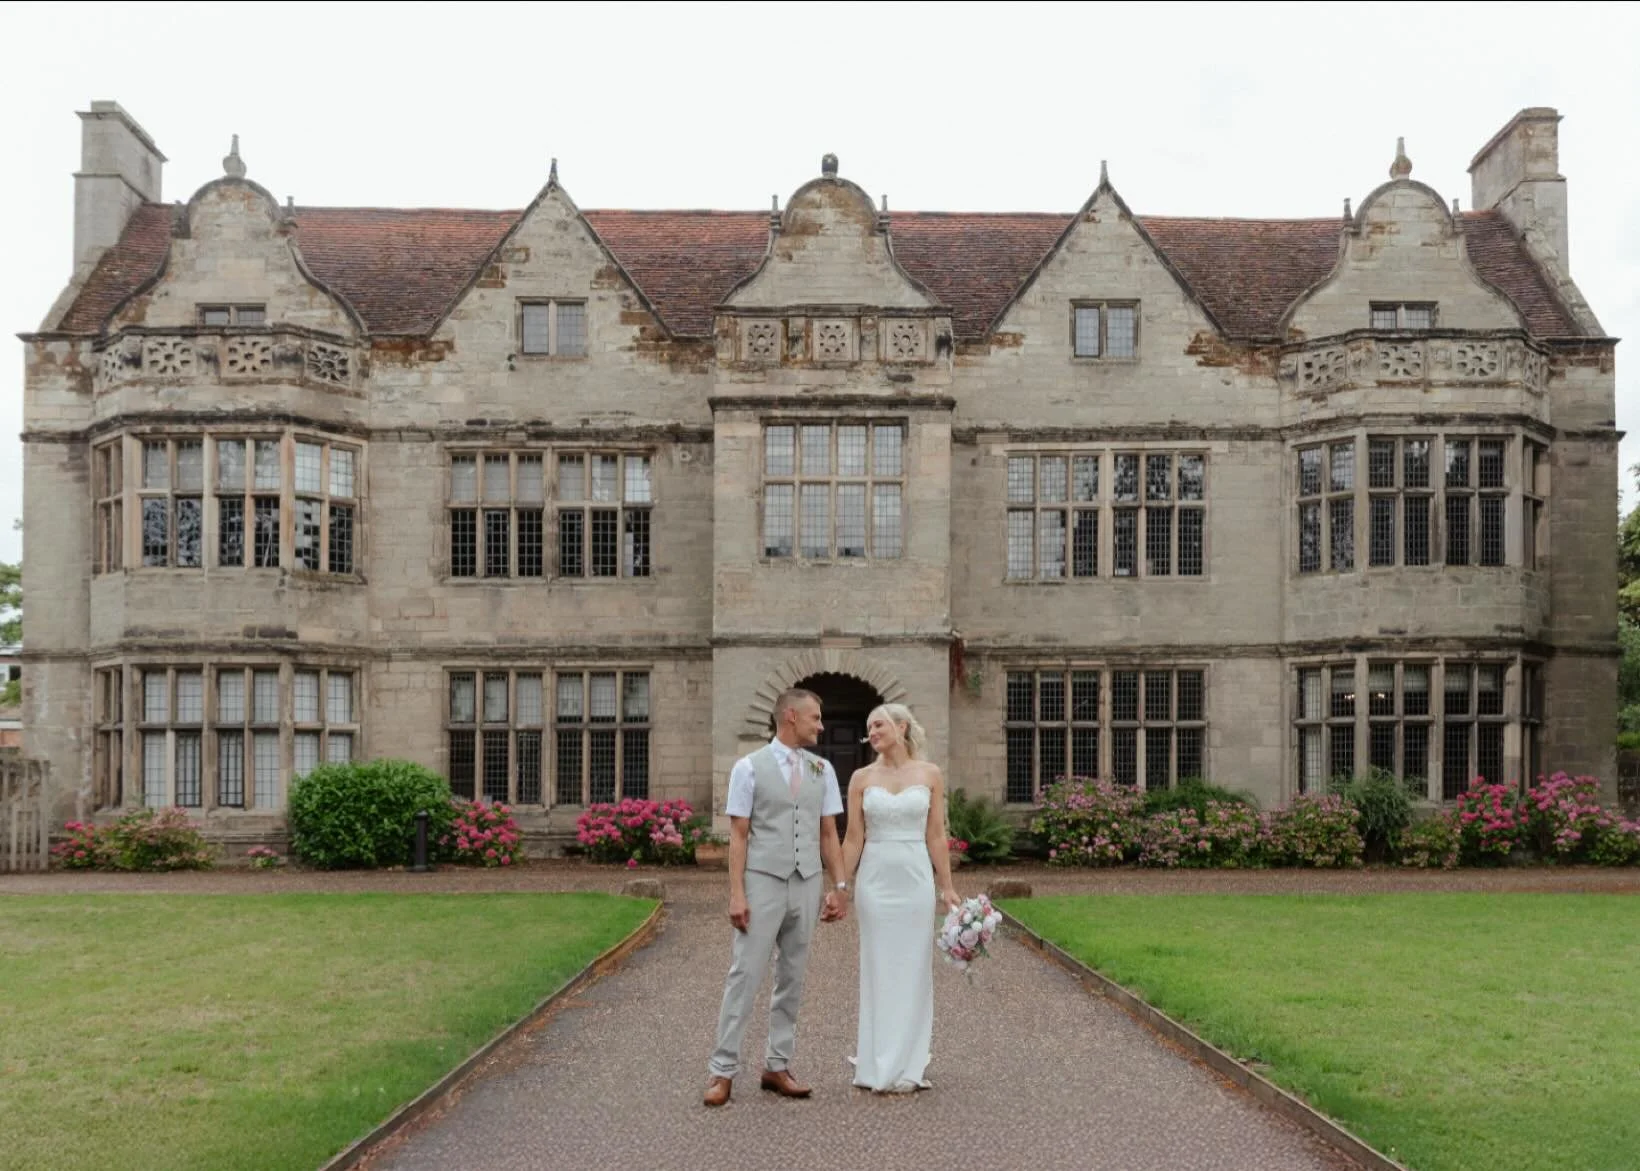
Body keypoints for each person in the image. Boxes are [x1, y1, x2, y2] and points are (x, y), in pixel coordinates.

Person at [704, 688, 849, 1108]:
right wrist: (736, 893)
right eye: (815, 717)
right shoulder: (748, 768)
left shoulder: (823, 770)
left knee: (793, 978)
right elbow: (739, 834)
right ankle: (723, 1070)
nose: (821, 725)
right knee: (744, 975)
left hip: (806, 883)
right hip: (763, 882)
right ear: (790, 716)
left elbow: (828, 833)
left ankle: (777, 1065)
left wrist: (839, 888)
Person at [839, 702, 960, 1094]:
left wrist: (947, 887)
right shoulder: (860, 777)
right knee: (877, 964)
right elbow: (853, 838)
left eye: (879, 724)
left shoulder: (930, 774)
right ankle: (876, 1059)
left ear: (902, 726)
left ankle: (908, 1060)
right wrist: (841, 887)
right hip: (875, 879)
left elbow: (936, 836)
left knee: (913, 965)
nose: (872, 731)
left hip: (914, 878)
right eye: (869, 726)